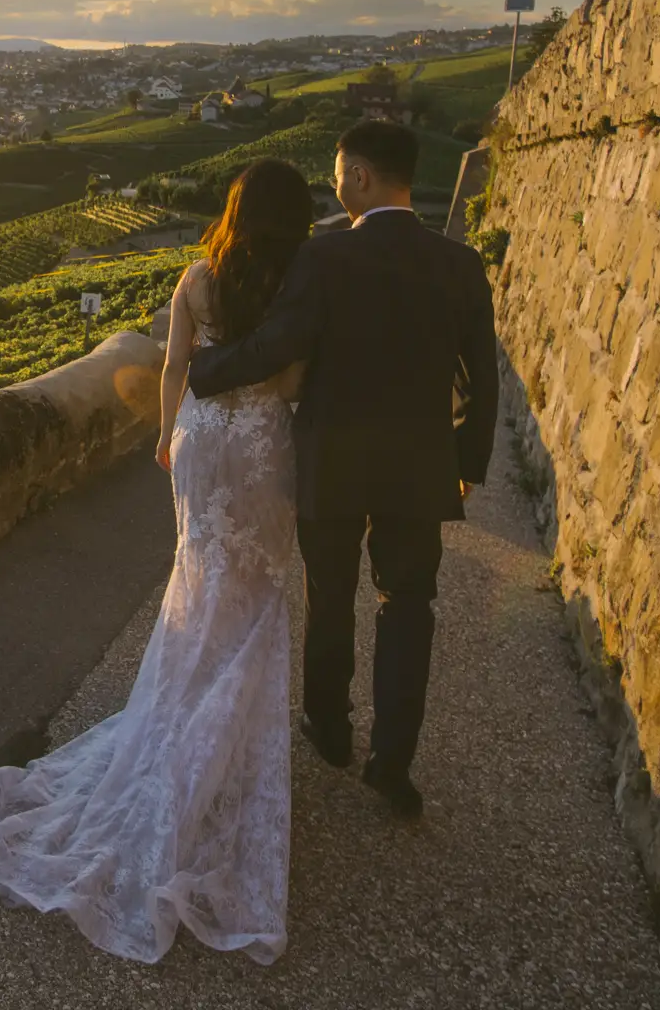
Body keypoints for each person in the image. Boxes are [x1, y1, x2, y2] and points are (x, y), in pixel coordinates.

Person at [0, 159, 315, 965]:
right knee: (254, 597)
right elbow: (291, 379)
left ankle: (178, 728)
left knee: (199, 580)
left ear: (232, 212)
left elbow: (175, 370)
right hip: (261, 446)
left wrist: (164, 437)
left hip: (200, 443)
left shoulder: (197, 278)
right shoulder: (298, 285)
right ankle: (221, 756)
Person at [187, 119, 498, 819]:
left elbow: (277, 343)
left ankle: (328, 729)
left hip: (330, 460)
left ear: (359, 176)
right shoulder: (461, 265)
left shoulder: (323, 261)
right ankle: (393, 763)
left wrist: (203, 371)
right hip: (421, 467)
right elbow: (484, 376)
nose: (333, 183)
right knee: (408, 605)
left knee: (329, 595)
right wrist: (468, 464)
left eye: (337, 171)